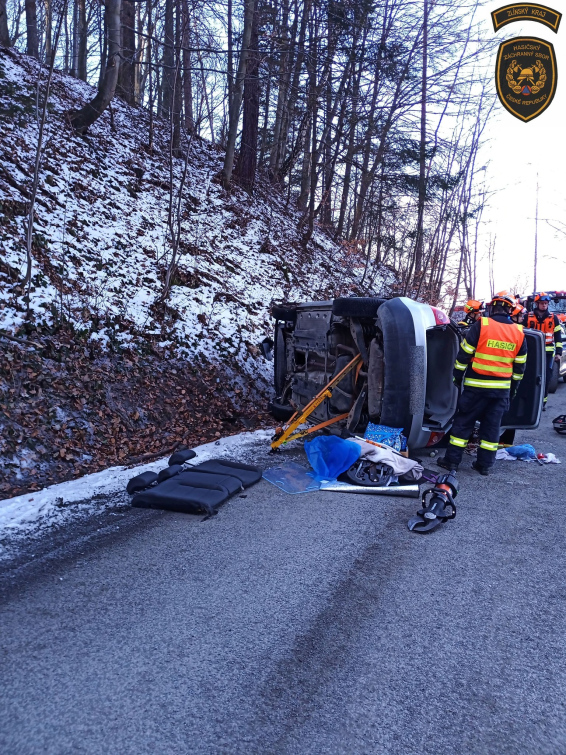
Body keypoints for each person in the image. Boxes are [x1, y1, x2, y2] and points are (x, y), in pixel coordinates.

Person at [437, 291, 527, 476]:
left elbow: (464, 354)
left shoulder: (482, 325)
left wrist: (457, 376)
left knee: (463, 424)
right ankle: (484, 465)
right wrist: (513, 390)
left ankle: (452, 461)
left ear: (493, 307)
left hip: (475, 388)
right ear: (510, 310)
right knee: (492, 428)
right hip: (501, 391)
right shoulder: (519, 332)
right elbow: (520, 368)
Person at [526, 293, 563, 410]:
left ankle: (542, 402)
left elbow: (557, 337)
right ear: (537, 304)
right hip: (531, 352)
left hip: (547, 353)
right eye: (542, 303)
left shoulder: (553, 318)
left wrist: (558, 353)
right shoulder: (528, 316)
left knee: (546, 378)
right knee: (529, 377)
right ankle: (530, 401)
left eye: (546, 303)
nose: (544, 305)